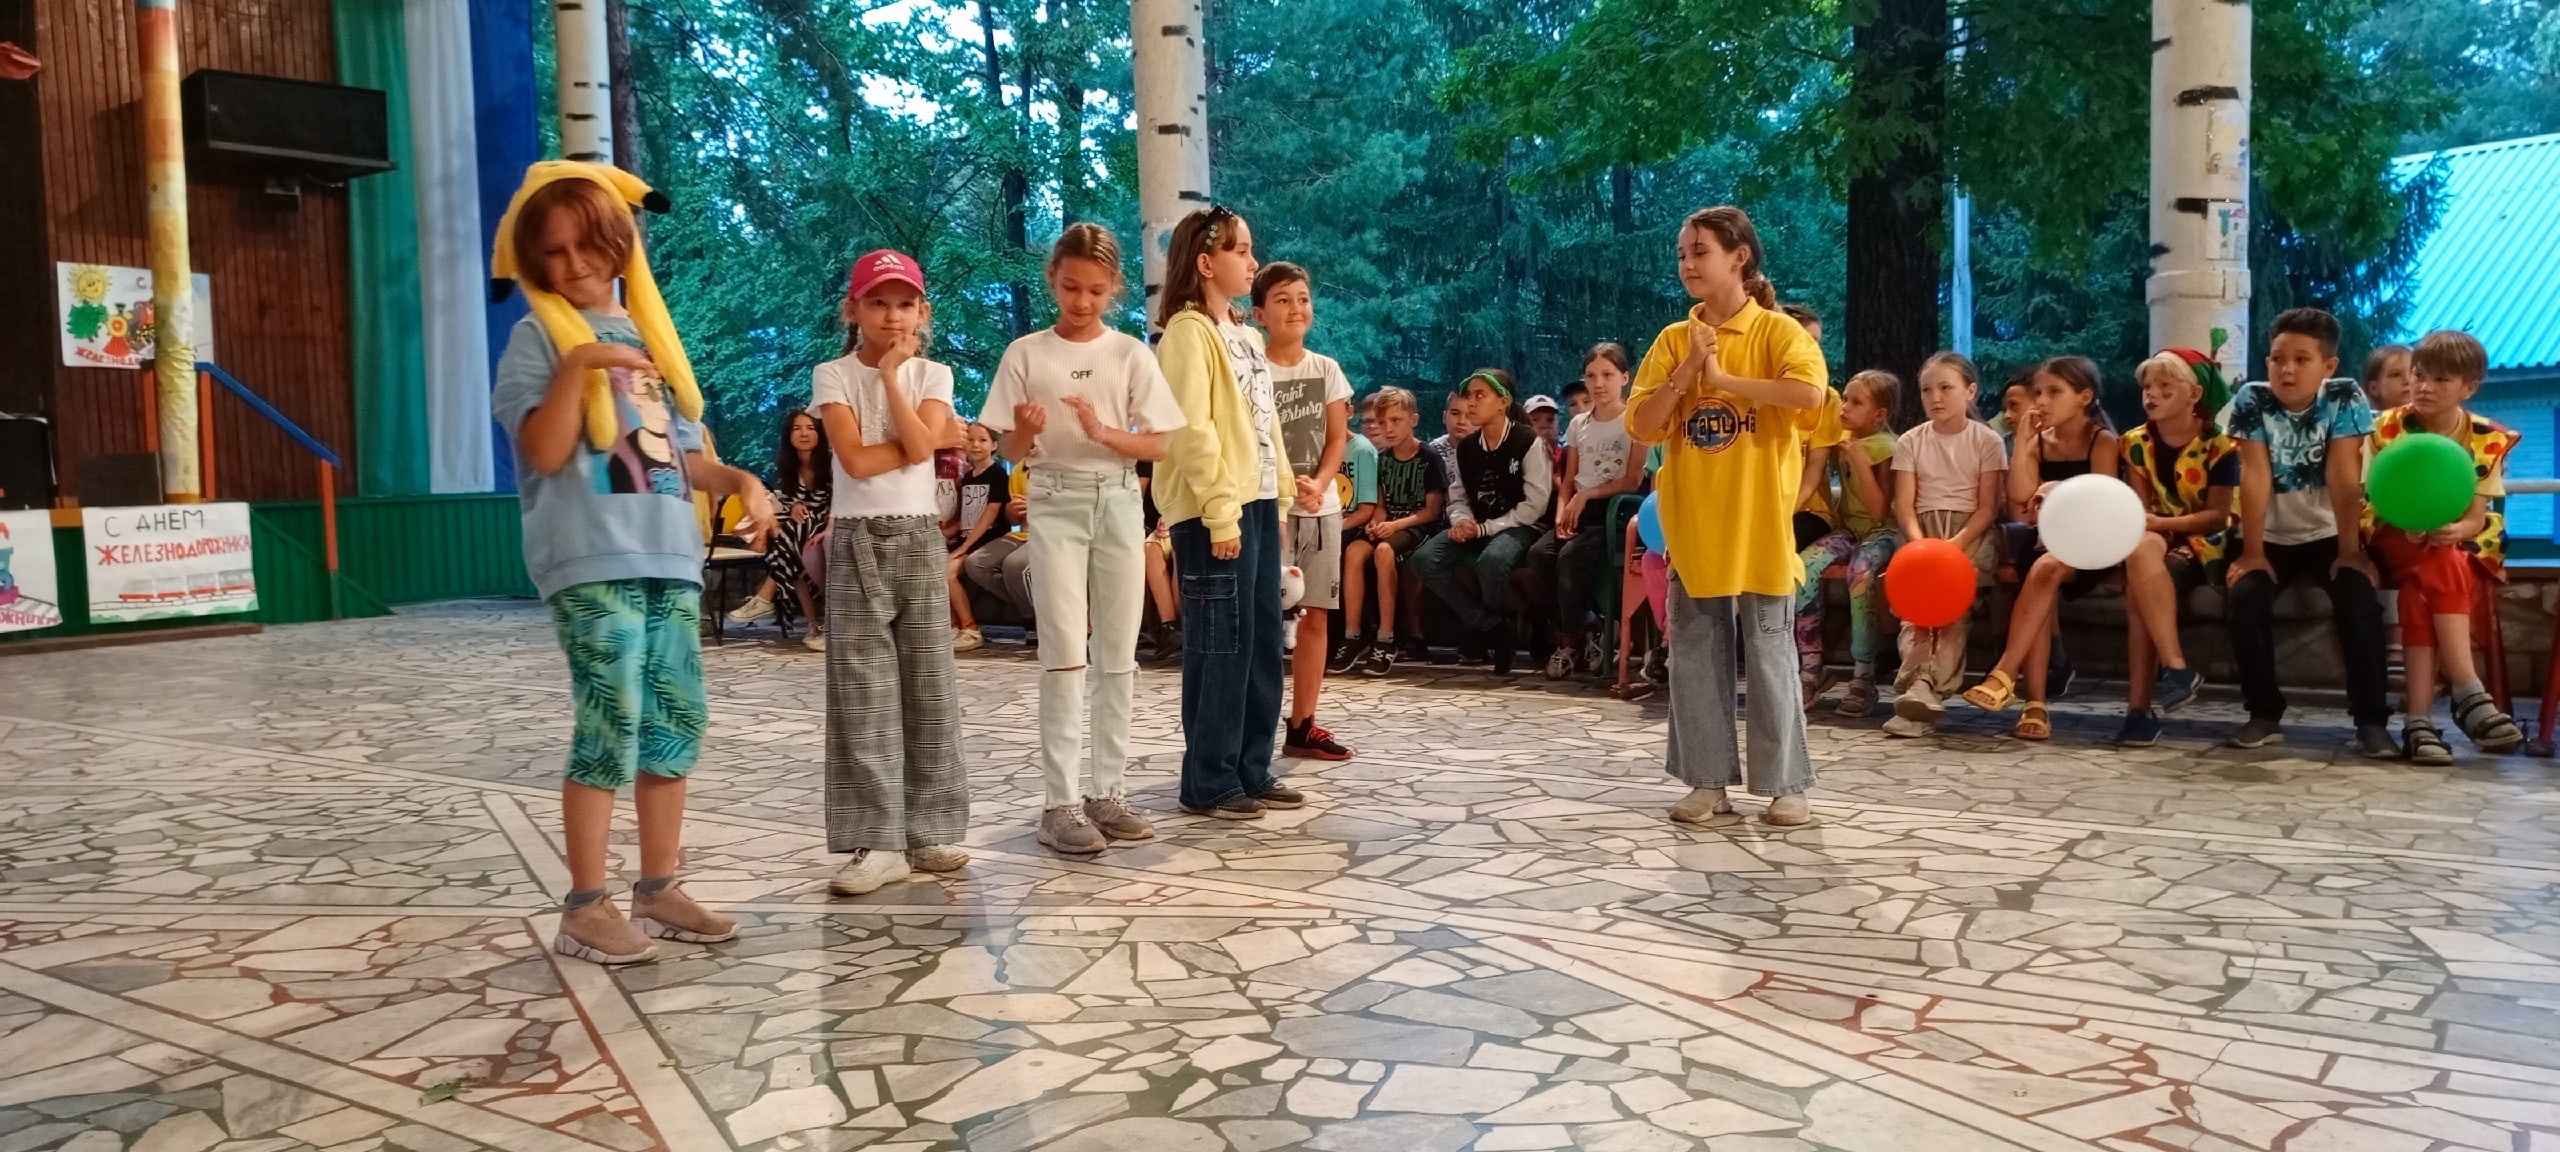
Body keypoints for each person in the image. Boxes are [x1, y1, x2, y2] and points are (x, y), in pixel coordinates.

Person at [488, 162, 767, 963]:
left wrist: (743, 482)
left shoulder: (651, 340)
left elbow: (682, 458)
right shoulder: (539, 338)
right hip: (589, 558)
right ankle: (585, 906)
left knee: (676, 720)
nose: (574, 263)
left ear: (620, 245)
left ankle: (658, 888)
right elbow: (543, 451)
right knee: (609, 719)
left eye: (588, 244)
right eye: (553, 251)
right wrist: (578, 367)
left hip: (669, 556)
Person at [982, 223, 1187, 854]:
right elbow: (1008, 447)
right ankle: (1060, 803)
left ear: (1114, 287)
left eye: (1096, 290)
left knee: (1119, 653)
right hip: (1054, 500)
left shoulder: (1129, 353)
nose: (1082, 301)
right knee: (1065, 652)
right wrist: (1024, 431)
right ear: (1053, 279)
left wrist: (1103, 433)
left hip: (1119, 499)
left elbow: (1159, 443)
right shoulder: (1025, 353)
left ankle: (1108, 792)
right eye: (1071, 287)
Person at [1628, 206, 1836, 828]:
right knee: (1694, 655)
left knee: (1770, 654)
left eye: (1700, 251)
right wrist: (1691, 369)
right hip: (1694, 528)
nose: (1687, 264)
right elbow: (1642, 424)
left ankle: (1785, 785)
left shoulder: (1778, 333)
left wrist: (1724, 378)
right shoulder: (1674, 339)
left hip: (1760, 526)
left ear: (1739, 256)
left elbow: (1809, 395)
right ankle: (1707, 781)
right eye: (1682, 254)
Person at [812, 249, 972, 895]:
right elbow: (854, 460)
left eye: (905, 304)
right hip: (856, 539)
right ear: (852, 310)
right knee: (863, 692)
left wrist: (892, 380)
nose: (892, 316)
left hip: (918, 535)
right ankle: (878, 841)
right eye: (877, 303)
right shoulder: (831, 374)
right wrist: (919, 436)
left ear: (922, 311)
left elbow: (921, 445)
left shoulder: (935, 373)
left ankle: (927, 831)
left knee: (930, 686)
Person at [1154, 205, 1303, 821]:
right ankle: (1209, 779)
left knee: (1263, 640)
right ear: (1206, 263)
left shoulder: (1242, 334)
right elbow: (1192, 430)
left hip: (1257, 501)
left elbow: (1264, 424)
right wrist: (1220, 513)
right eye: (1240, 250)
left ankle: (1250, 767)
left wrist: (1282, 495)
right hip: (1215, 508)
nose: (1252, 260)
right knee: (1222, 643)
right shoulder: (1187, 333)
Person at [2223, 307, 2393, 754]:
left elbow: (2343, 474)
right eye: (2278, 359)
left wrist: (2350, 551)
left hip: (2329, 535)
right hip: (2269, 536)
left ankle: (2371, 721)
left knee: (2359, 601)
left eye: (2301, 359)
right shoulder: (2251, 400)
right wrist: (2253, 552)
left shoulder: (2344, 397)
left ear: (2328, 365)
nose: (2287, 370)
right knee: (2245, 599)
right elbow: (2255, 475)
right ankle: (2264, 714)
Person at [2366, 329, 2525, 763]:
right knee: (2438, 559)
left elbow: (2475, 517)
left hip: (2453, 542)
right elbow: (2373, 497)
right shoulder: (2382, 430)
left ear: (2467, 388)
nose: (2423, 387)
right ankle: (2468, 691)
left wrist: (2457, 531)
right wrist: (2407, 523)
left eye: (2440, 380)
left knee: (2424, 583)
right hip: (2389, 532)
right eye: (2419, 376)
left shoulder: (2485, 437)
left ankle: (2418, 723)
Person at [1960, 356, 2123, 739]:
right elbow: (2020, 497)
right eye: (2038, 393)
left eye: (2054, 392)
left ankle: (2006, 673)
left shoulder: (2102, 441)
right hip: (2047, 542)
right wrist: (2024, 443)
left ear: (2084, 397)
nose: (2042, 401)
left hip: (2095, 540)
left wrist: (2057, 491)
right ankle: (2032, 703)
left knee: (2044, 568)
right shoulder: (2038, 442)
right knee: (2041, 571)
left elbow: (2102, 502)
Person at [2101, 350, 2237, 746]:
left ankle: (2139, 712)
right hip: (2155, 537)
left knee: (2138, 593)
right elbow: (2141, 510)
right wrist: (2154, 526)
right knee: (2142, 551)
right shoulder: (2134, 442)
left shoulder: (2220, 444)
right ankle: (2175, 667)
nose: (2152, 394)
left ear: (2194, 394)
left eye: (2164, 386)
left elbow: (2217, 516)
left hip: (2207, 541)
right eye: (2147, 386)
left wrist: (2163, 525)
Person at [1251, 262, 1357, 761]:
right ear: (1259, 313)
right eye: (1282, 299)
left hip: (1319, 507)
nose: (1295, 308)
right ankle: (1255, 725)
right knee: (1266, 617)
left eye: (1302, 298)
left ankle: (1303, 723)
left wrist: (1320, 481)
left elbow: (1337, 438)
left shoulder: (1326, 369)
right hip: (1265, 507)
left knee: (1315, 614)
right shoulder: (1252, 369)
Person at [1884, 353, 2006, 739]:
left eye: (1945, 388)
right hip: (1921, 532)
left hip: (1968, 532)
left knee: (1952, 610)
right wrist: (1921, 547)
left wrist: (1954, 547)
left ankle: (1926, 687)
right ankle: (1918, 688)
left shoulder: (1987, 441)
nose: (1935, 397)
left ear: (1970, 391)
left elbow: (1987, 506)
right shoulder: (1911, 441)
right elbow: (1904, 504)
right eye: (1926, 390)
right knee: (1915, 612)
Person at [1413, 369, 1554, 675]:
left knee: (1493, 560)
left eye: (1480, 396)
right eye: (1468, 396)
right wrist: (1461, 520)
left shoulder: (1526, 441)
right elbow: (1458, 496)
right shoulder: (1467, 447)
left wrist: (1485, 528)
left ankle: (1503, 625)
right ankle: (1490, 624)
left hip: (1521, 526)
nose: (1471, 403)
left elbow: (1534, 506)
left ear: (1502, 402)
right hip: (1479, 524)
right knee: (1425, 559)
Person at [1522, 343, 1640, 680]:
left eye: (1607, 375)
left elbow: (1633, 480)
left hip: (1614, 511)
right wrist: (1562, 512)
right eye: (1591, 376)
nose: (1598, 383)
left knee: (1572, 556)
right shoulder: (1578, 424)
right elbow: (1569, 478)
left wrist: (1587, 495)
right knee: (1539, 555)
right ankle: (1590, 624)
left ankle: (1569, 641)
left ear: (1625, 377)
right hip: (1578, 507)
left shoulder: (1634, 420)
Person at [1793, 369, 1901, 716]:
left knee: (1860, 572)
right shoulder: (1842, 438)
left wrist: (1860, 463)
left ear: (1879, 415)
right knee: (1803, 566)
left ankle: (1863, 676)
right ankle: (1812, 667)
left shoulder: (1887, 447)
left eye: (1856, 403)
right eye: (1845, 399)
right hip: (1849, 529)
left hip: (1883, 532)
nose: (1844, 408)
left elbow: (1880, 510)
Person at [1347, 387, 1448, 675]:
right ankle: (1352, 634)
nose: (1388, 429)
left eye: (1395, 421)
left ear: (1413, 420)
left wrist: (1393, 525)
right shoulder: (1382, 459)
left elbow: (1431, 511)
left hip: (1417, 527)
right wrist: (1376, 522)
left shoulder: (1429, 457)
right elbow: (1381, 504)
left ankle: (1386, 635)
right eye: (1382, 422)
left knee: (1383, 551)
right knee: (1354, 550)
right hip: (1389, 525)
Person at [726, 411, 832, 650]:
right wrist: (795, 505)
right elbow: (790, 499)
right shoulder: (788, 464)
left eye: (810, 428)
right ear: (789, 435)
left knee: (791, 535)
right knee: (791, 541)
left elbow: (841, 499)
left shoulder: (831, 462)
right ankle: (813, 626)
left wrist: (829, 525)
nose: (804, 433)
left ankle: (766, 597)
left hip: (830, 520)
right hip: (802, 525)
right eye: (797, 428)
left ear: (820, 433)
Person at [945, 422, 1010, 651]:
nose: (975, 445)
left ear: (994, 445)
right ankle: (950, 625)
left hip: (986, 540)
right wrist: (946, 532)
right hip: (966, 539)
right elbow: (967, 516)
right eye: (970, 439)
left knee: (948, 571)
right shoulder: (967, 478)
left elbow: (990, 513)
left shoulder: (998, 474)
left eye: (982, 440)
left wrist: (964, 548)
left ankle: (970, 627)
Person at [1328, 401, 1382, 674]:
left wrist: (1336, 527)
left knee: (1342, 552)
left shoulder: (1362, 450)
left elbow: (1366, 509)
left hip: (1354, 525)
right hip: (1325, 522)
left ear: (1349, 412)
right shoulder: (1317, 448)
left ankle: (1354, 634)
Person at [961, 464, 1036, 630]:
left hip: (1050, 534)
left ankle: (1031, 621)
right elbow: (1013, 520)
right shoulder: (1019, 469)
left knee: (1013, 564)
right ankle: (1032, 609)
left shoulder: (1061, 465)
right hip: (1022, 534)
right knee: (975, 563)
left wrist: (1037, 508)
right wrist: (1011, 510)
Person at [2362, 343, 2413, 412]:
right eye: (2396, 375)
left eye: (2414, 373)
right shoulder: (2367, 419)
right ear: (2374, 388)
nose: (2408, 380)